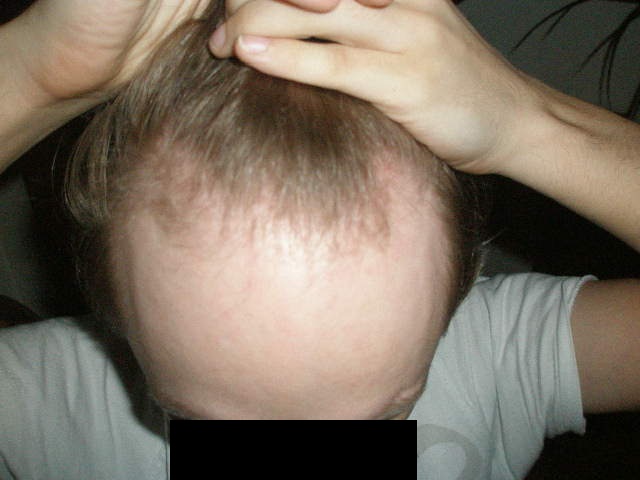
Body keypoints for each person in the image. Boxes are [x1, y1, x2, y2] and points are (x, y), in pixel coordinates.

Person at [0, 1, 638, 479]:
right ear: (113, 304)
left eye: (383, 416)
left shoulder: (498, 357)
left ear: (459, 287)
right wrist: (28, 76)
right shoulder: (45, 404)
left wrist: (531, 125)